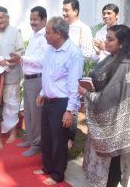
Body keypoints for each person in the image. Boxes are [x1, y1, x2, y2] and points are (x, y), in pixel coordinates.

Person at [79, 25, 130, 187]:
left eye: (110, 39)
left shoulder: (125, 64)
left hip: (116, 122)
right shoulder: (114, 57)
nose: (105, 42)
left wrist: (86, 93)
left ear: (121, 43)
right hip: (112, 120)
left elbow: (109, 96)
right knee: (107, 161)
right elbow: (100, 77)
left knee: (112, 163)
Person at [34, 17, 83, 185]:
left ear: (58, 33)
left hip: (62, 103)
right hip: (48, 100)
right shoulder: (51, 49)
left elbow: (73, 85)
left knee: (59, 140)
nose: (45, 36)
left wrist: (70, 111)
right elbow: (48, 75)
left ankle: (57, 174)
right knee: (46, 137)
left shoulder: (73, 53)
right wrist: (42, 92)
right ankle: (47, 166)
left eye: (48, 33)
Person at [7, 6, 49, 156]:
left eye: (35, 20)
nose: (32, 22)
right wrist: (16, 60)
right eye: (31, 19)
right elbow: (29, 58)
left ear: (44, 20)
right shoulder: (34, 35)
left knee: (36, 114)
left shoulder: (45, 37)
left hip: (38, 79)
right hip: (29, 79)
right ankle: (31, 139)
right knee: (29, 112)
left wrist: (22, 59)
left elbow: (43, 61)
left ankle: (37, 144)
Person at [0, 6, 24, 143]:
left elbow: (21, 53)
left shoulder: (15, 32)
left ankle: (13, 132)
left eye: (1, 18)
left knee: (11, 105)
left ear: (8, 18)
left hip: (11, 75)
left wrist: (8, 61)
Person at [62, 0, 93, 149]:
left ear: (76, 11)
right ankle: (60, 134)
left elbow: (87, 52)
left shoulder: (84, 29)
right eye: (63, 10)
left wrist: (70, 56)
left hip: (74, 74)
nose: (64, 13)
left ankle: (70, 139)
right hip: (60, 75)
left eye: (67, 10)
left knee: (72, 106)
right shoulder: (62, 27)